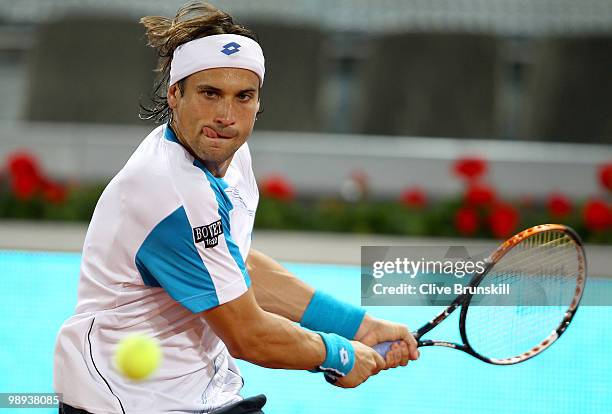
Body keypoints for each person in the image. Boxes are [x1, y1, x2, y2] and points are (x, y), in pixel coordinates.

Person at [53, 2, 419, 413]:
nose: (227, 116)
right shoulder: (170, 192)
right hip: (127, 402)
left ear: (258, 102)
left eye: (243, 97)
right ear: (175, 94)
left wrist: (357, 326)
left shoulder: (229, 156)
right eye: (210, 94)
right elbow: (249, 335)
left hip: (199, 394)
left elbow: (235, 268)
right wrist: (339, 354)